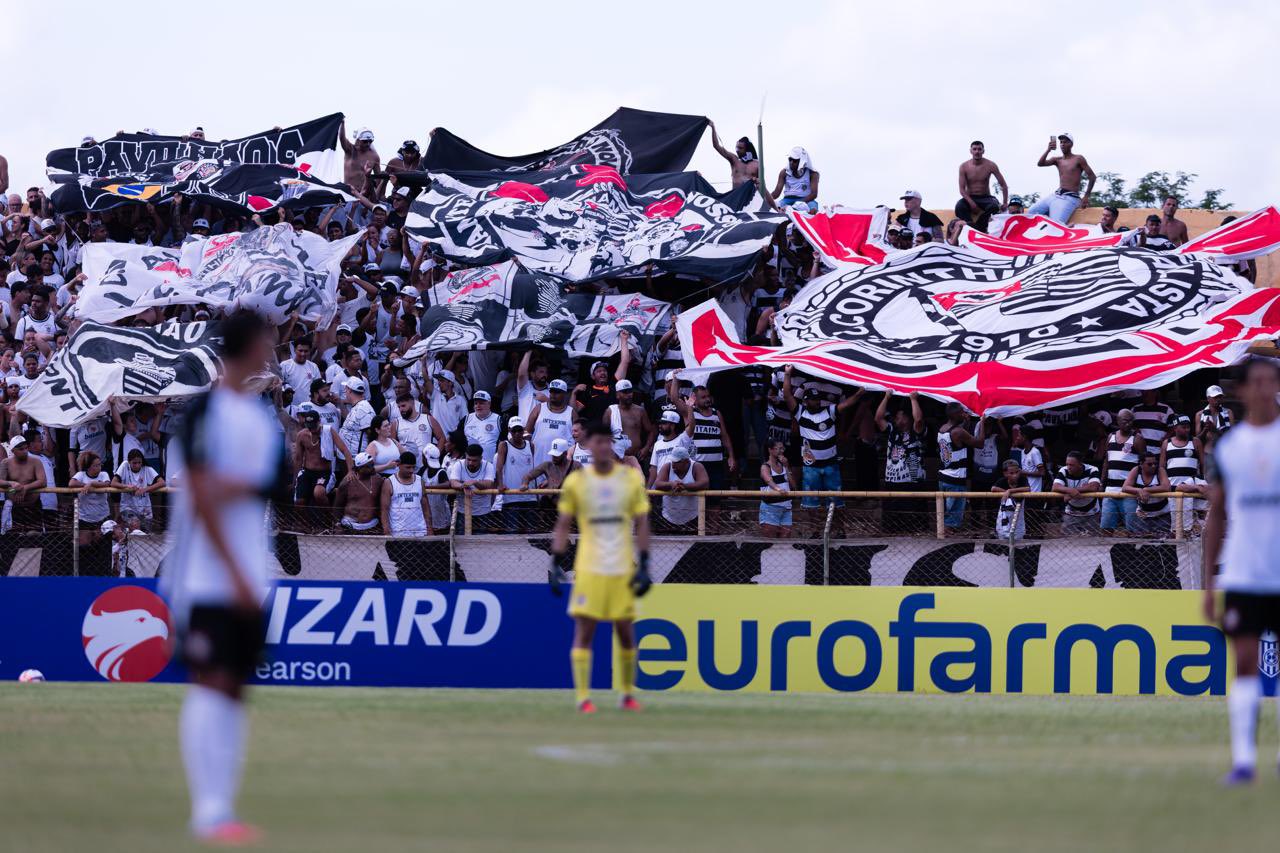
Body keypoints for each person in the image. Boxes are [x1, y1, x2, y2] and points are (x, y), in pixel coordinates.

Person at [160, 311, 285, 844]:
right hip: (207, 576)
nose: (273, 349)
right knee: (210, 682)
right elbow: (205, 497)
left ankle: (224, 809)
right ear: (252, 346)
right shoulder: (205, 414)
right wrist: (234, 572)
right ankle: (207, 812)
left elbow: (261, 488)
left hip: (248, 572)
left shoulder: (258, 419)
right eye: (269, 341)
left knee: (234, 685)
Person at [1203, 357, 1280, 785]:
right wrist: (1210, 582)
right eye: (1258, 382)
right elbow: (1216, 514)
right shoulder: (1229, 446)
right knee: (1245, 663)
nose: (1266, 388)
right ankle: (1245, 760)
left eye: (1272, 381)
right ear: (1243, 390)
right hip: (1245, 572)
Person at [549, 421, 652, 714]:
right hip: (590, 567)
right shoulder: (577, 482)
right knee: (585, 630)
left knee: (625, 630)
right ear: (589, 446)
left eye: (609, 442)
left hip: (621, 566)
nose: (604, 447)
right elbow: (563, 524)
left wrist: (644, 562)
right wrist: (556, 560)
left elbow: (643, 521)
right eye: (599, 442)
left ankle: (628, 694)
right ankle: (583, 697)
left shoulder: (630, 480)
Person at [783, 369, 864, 527]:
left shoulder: (830, 411)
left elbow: (847, 404)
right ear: (806, 401)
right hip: (810, 467)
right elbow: (787, 395)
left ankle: (840, 529)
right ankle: (815, 530)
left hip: (830, 465)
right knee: (811, 502)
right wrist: (787, 374)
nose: (817, 402)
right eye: (813, 400)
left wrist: (860, 393)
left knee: (836, 500)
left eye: (818, 399)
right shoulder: (800, 413)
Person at [875, 391, 927, 533]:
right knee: (892, 522)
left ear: (908, 418)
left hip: (913, 482)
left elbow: (919, 420)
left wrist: (913, 399)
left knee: (914, 522)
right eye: (897, 417)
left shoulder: (917, 432)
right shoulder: (892, 431)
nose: (897, 419)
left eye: (901, 416)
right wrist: (886, 397)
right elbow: (878, 418)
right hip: (892, 481)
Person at [937, 403, 985, 531]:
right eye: (961, 412)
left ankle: (946, 534)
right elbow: (979, 443)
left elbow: (960, 438)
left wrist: (966, 422)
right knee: (953, 516)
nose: (963, 414)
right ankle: (948, 540)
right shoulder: (958, 431)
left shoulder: (943, 428)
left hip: (944, 475)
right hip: (955, 478)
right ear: (955, 414)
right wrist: (982, 423)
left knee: (946, 512)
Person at [1028, 133, 1096, 223]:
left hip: (1070, 197)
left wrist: (1086, 197)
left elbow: (1092, 177)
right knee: (1031, 212)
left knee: (1056, 224)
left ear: (1071, 144)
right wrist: (1048, 149)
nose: (1062, 144)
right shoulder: (1057, 160)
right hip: (1056, 195)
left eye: (1065, 142)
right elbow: (1040, 164)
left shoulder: (1078, 158)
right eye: (1061, 142)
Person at [1100, 409, 1145, 533]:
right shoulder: (1110, 437)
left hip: (1129, 491)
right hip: (1110, 490)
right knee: (1106, 528)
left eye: (1131, 421)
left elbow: (1144, 463)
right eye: (1125, 421)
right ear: (1118, 421)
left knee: (1133, 529)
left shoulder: (1137, 439)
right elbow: (1106, 462)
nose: (1129, 424)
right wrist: (1101, 482)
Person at [955, 140, 1009, 233]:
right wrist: (971, 203)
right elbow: (962, 190)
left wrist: (1005, 202)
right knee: (959, 206)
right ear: (970, 151)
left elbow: (1003, 185)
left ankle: (979, 228)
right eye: (974, 149)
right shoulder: (964, 166)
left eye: (979, 149)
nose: (977, 151)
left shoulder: (991, 165)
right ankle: (970, 225)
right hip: (970, 197)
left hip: (986, 197)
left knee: (994, 207)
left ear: (983, 151)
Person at [494, 417, 537, 533]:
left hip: (529, 495)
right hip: (512, 496)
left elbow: (533, 468)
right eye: (514, 430)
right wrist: (500, 485)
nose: (517, 433)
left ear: (523, 430)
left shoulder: (530, 445)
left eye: (519, 430)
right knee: (512, 533)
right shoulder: (504, 445)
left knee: (531, 532)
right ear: (509, 430)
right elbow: (499, 468)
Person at [652, 445, 707, 533]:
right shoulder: (667, 466)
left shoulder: (697, 466)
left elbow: (704, 483)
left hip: (691, 517)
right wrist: (671, 484)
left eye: (676, 462)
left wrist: (684, 486)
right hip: (668, 516)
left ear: (686, 461)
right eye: (672, 461)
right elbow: (658, 483)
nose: (673, 464)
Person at [448, 444, 497, 533]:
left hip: (483, 512)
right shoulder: (459, 464)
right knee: (462, 541)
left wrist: (474, 482)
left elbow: (489, 484)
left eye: (474, 461)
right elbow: (453, 482)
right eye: (468, 459)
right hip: (462, 511)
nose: (470, 463)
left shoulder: (488, 465)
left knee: (481, 542)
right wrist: (463, 486)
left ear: (481, 458)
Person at [1052, 451, 1103, 536]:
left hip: (1092, 512)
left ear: (1080, 464)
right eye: (1067, 464)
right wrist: (1071, 491)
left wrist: (1070, 491)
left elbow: (1093, 487)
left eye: (1071, 465)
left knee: (1093, 542)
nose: (1068, 467)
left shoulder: (1092, 469)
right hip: (1071, 512)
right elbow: (1055, 487)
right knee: (1068, 541)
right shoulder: (1063, 470)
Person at [0, 434, 45, 531]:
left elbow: (42, 481)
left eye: (26, 448)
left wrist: (24, 488)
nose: (25, 451)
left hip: (33, 506)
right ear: (13, 451)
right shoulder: (6, 463)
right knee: (14, 539)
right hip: (14, 503)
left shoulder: (36, 461)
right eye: (21, 449)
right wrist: (11, 484)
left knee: (35, 537)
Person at [381, 451, 431, 537]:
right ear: (399, 465)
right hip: (398, 532)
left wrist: (429, 529)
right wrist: (386, 531)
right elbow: (384, 510)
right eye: (408, 467)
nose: (411, 470)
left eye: (413, 467)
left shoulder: (419, 480)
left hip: (419, 531)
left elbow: (425, 507)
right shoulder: (389, 483)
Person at [526, 379, 574, 468]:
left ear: (565, 394)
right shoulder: (539, 408)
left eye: (557, 392)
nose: (553, 395)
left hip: (562, 463)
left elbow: (577, 438)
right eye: (551, 391)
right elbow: (526, 432)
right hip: (538, 459)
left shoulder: (572, 412)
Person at [333, 452, 381, 532]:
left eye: (373, 464)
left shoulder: (378, 480)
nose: (373, 468)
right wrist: (337, 524)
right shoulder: (347, 482)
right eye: (370, 466)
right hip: (349, 524)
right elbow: (338, 505)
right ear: (359, 468)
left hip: (372, 525)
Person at [647, 410, 694, 486]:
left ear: (673, 425)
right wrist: (649, 487)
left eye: (664, 423)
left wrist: (689, 408)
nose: (660, 426)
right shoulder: (657, 444)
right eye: (660, 423)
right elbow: (653, 468)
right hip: (661, 486)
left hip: (678, 485)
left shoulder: (682, 439)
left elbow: (691, 427)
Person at [758, 439, 794, 538]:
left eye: (783, 448)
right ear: (770, 450)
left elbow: (793, 485)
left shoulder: (783, 466)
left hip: (786, 507)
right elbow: (769, 480)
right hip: (770, 508)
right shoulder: (765, 466)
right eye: (779, 448)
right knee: (770, 541)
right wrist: (778, 489)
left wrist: (787, 467)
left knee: (785, 540)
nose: (782, 451)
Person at [709, 121, 760, 189]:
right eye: (736, 147)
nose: (737, 150)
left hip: (750, 198)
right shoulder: (734, 159)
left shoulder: (757, 164)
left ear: (747, 150)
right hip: (735, 197)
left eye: (740, 148)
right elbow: (716, 146)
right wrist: (713, 127)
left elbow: (762, 185)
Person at [770, 147, 819, 212]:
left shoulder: (812, 173)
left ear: (802, 161)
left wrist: (797, 204)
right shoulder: (784, 173)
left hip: (807, 200)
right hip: (787, 200)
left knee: (813, 210)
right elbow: (776, 193)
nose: (791, 162)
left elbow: (814, 194)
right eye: (790, 159)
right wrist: (765, 199)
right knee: (775, 208)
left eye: (795, 160)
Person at [991, 460, 1030, 541]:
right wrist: (1005, 492)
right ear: (1005, 473)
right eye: (1011, 473)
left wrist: (1010, 491)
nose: (1015, 475)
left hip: (1018, 511)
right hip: (1005, 513)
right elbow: (993, 488)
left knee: (1018, 534)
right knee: (1003, 533)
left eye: (1017, 472)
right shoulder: (1002, 481)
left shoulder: (1022, 479)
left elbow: (1028, 488)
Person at [463, 391, 502, 463]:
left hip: (491, 464)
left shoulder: (499, 420)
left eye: (481, 403)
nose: (478, 406)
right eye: (476, 403)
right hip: (470, 464)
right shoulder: (466, 419)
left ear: (489, 404)